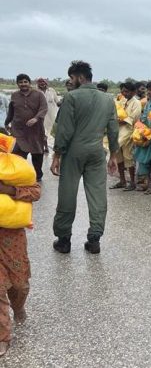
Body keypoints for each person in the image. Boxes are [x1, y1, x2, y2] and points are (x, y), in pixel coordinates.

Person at [51, 60, 119, 254]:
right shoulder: (107, 99)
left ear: (80, 77)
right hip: (97, 151)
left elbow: (64, 130)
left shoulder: (71, 97)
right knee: (98, 195)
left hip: (74, 152)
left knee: (67, 193)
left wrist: (57, 155)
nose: (70, 81)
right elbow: (113, 130)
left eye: (72, 78)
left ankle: (64, 240)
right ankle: (94, 239)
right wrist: (114, 154)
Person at [0, 137, 41, 357]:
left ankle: (18, 306)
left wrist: (9, 190)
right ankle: (3, 336)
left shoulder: (14, 168)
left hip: (12, 239)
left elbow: (36, 191)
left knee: (19, 285)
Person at [4, 74, 47, 181]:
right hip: (18, 130)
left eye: (25, 82)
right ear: (17, 84)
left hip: (35, 130)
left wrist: (36, 118)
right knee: (17, 153)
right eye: (20, 82)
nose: (23, 84)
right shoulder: (14, 95)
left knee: (37, 153)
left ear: (29, 83)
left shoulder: (39, 94)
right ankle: (20, 174)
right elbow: (11, 110)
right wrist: (7, 122)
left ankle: (38, 175)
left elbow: (44, 108)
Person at [110, 82, 142, 191]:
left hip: (129, 130)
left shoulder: (136, 103)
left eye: (127, 91)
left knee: (128, 157)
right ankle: (122, 180)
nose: (124, 93)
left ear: (133, 92)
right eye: (123, 91)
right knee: (118, 155)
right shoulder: (122, 101)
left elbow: (134, 118)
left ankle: (132, 182)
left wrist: (122, 120)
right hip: (119, 130)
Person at [36, 77, 60, 152]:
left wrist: (65, 101)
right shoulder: (35, 91)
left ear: (46, 83)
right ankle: (45, 147)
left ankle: (55, 148)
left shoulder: (52, 91)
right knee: (43, 131)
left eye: (43, 82)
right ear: (37, 83)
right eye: (40, 82)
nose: (42, 83)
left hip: (52, 115)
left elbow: (57, 102)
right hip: (40, 115)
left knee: (51, 132)